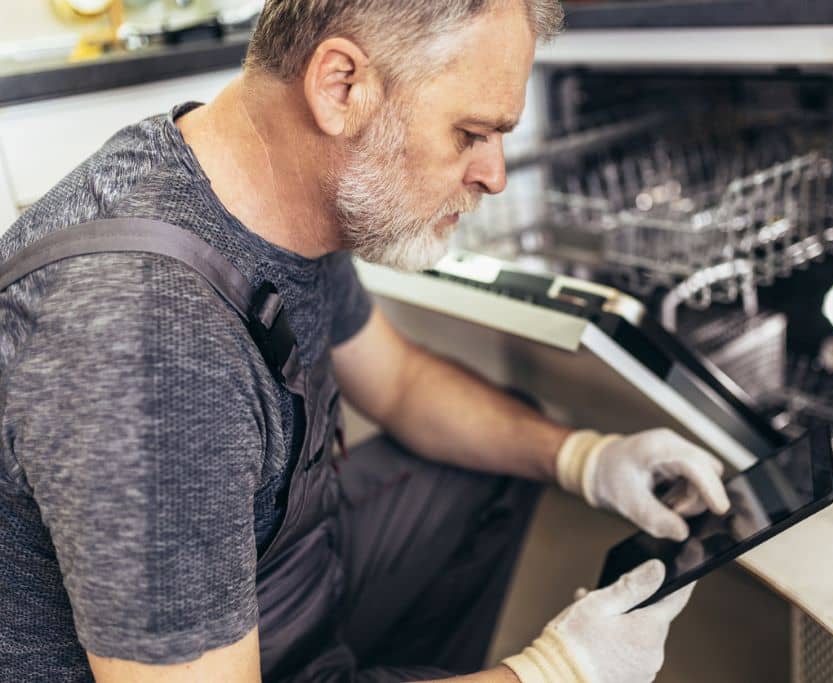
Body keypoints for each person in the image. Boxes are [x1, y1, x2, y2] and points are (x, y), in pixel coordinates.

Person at [0, 1, 732, 681]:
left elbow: (401, 385)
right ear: (341, 86)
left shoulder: (275, 194)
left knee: (503, 456)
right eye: (471, 133)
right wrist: (554, 671)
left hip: (278, 584)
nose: (495, 176)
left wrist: (586, 458)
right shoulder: (152, 349)